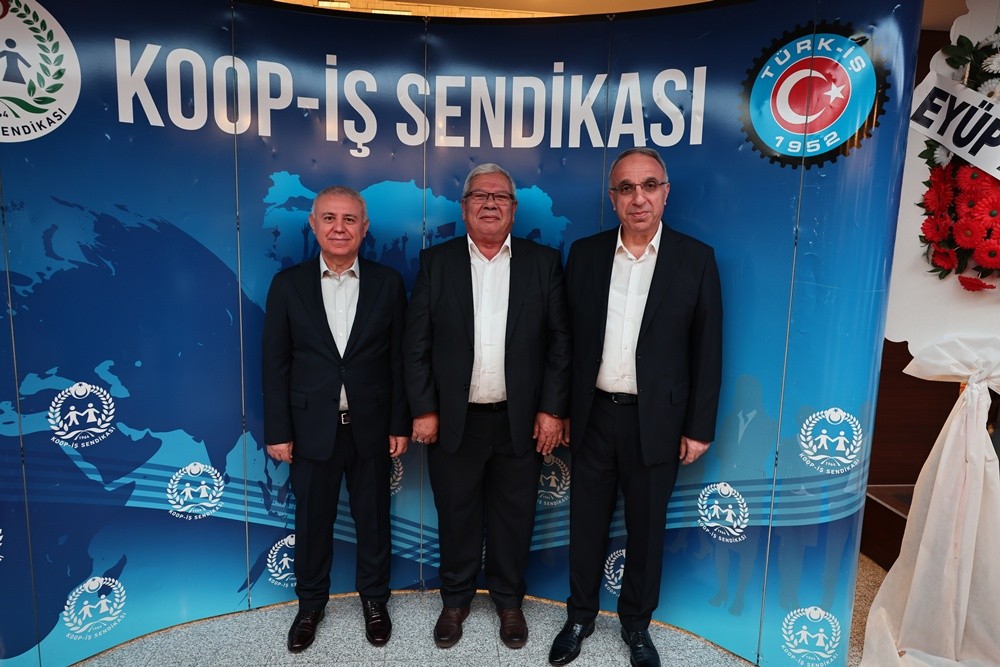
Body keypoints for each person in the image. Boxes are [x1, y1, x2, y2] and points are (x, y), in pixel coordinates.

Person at [548, 148, 723, 667]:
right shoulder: (585, 254)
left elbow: (707, 349)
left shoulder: (696, 259)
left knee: (646, 530)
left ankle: (636, 625)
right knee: (586, 524)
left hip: (658, 421)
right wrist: (559, 410)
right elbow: (564, 342)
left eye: (649, 186)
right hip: (593, 416)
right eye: (626, 188)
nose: (638, 198)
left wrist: (698, 427)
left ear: (665, 193)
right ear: (613, 198)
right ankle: (579, 616)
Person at [405, 163, 571, 650]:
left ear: (514, 209)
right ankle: (455, 601)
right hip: (455, 421)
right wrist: (424, 408)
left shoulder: (543, 263)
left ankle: (508, 602)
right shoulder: (437, 263)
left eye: (500, 196)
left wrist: (552, 410)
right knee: (456, 515)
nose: (490, 203)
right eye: (480, 195)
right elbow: (416, 344)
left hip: (520, 421)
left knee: (514, 517)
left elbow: (560, 344)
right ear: (464, 208)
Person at [262, 185, 410, 654]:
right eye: (329, 218)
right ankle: (310, 606)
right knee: (312, 523)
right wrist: (279, 431)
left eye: (349, 219)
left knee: (374, 521)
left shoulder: (388, 283)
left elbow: (400, 360)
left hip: (372, 427)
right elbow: (275, 365)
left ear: (365, 228)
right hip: (311, 430)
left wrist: (399, 423)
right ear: (313, 225)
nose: (339, 228)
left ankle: (375, 601)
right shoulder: (288, 285)